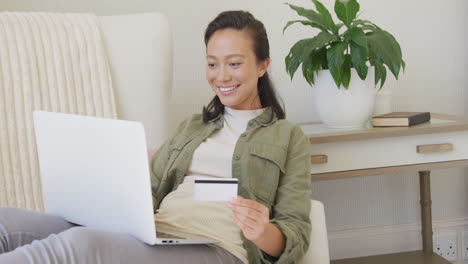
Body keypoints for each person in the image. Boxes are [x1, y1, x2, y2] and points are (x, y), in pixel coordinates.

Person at [0, 10, 311, 264]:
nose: (222, 76)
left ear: (262, 66)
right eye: (213, 64)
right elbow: (149, 190)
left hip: (220, 248)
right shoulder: (192, 126)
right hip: (158, 233)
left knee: (78, 246)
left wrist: (263, 231)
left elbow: (295, 231)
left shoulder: (288, 137)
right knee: (5, 223)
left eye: (234, 64)